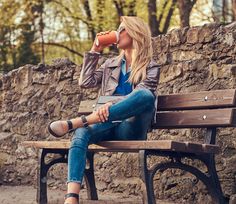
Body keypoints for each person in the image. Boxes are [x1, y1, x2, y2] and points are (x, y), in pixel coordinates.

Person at [48, 16, 160, 204]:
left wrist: (111, 104)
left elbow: (142, 96)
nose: (118, 32)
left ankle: (78, 121)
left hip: (131, 127)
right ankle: (72, 197)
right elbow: (85, 82)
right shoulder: (110, 64)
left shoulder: (151, 66)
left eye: (122, 29)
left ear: (135, 32)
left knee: (147, 96)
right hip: (106, 122)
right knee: (82, 133)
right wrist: (95, 50)